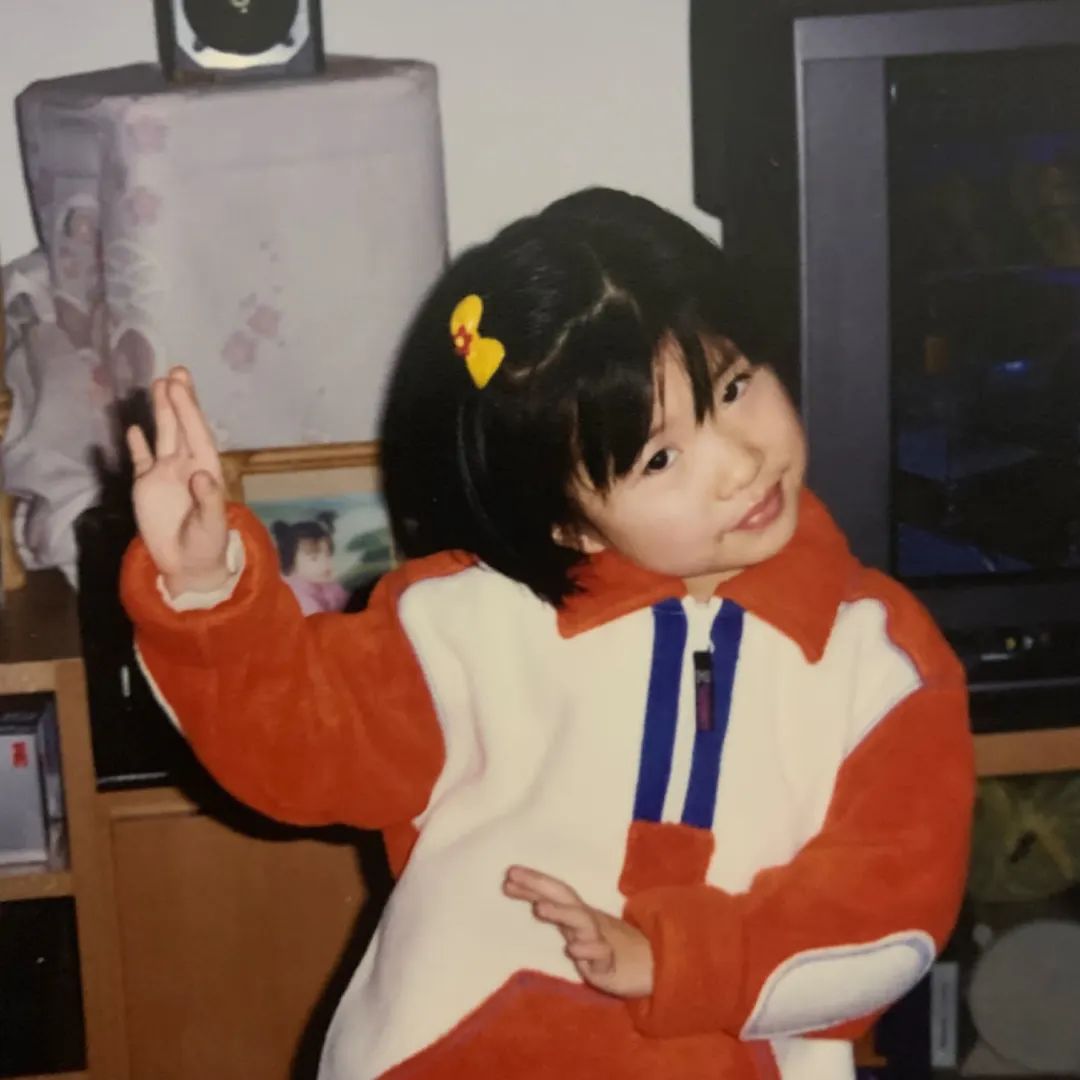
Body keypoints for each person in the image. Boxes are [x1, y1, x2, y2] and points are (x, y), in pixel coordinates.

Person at [120, 188, 974, 1079]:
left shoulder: (878, 658)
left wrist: (680, 961)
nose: (741, 461)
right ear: (569, 522)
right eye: (661, 457)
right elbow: (297, 744)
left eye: (733, 387)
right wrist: (206, 587)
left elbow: (892, 909)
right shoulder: (463, 621)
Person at [271, 512, 350, 615]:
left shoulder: (328, 585)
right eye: (314, 558)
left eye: (327, 555)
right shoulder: (296, 595)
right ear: (291, 561)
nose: (325, 563)